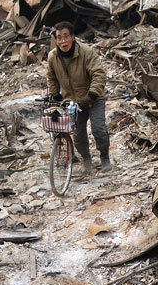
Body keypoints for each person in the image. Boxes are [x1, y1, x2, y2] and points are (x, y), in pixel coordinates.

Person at [46, 21, 111, 175]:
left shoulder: (86, 52)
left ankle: (104, 157)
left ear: (73, 37)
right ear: (55, 40)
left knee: (99, 129)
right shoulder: (53, 57)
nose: (63, 41)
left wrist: (92, 95)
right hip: (72, 102)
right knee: (78, 134)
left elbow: (99, 73)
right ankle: (86, 158)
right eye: (59, 38)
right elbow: (51, 78)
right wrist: (55, 95)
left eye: (66, 37)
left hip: (93, 98)